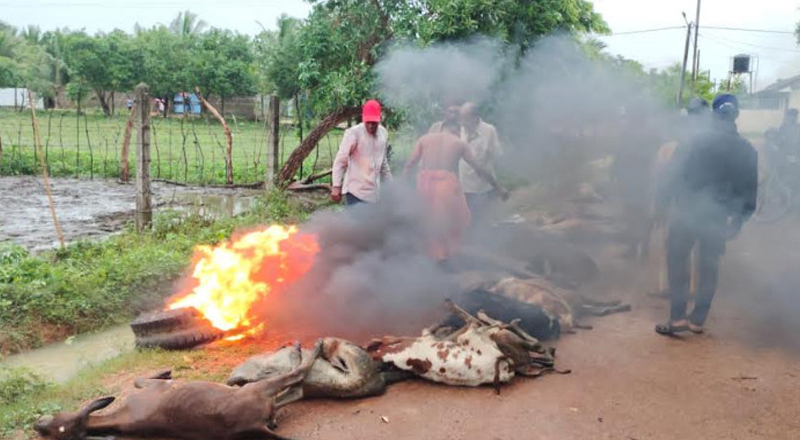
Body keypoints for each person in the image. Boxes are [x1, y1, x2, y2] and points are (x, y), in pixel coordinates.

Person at [655, 94, 758, 335]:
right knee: (709, 266)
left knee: (678, 261)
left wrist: (662, 205)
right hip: (718, 217)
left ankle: (677, 317)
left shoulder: (693, 142)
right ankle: (698, 320)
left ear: (713, 114)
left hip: (687, 212)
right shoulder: (747, 150)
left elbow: (671, 176)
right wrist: (738, 221)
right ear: (736, 116)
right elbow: (749, 193)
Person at [403, 119, 508, 261]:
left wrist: (403, 188)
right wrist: (498, 187)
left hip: (424, 183)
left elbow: (409, 165)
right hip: (446, 185)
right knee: (452, 221)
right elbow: (479, 168)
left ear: (442, 129)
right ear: (457, 130)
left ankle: (429, 258)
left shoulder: (424, 139)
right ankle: (443, 257)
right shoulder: (459, 143)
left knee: (427, 220)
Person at [331, 100, 393, 205]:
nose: (370, 126)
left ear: (379, 119)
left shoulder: (383, 134)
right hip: (355, 193)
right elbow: (340, 161)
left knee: (371, 221)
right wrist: (336, 186)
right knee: (356, 221)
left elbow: (383, 164)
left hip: (374, 194)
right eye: (368, 122)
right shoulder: (354, 133)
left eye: (374, 123)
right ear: (363, 119)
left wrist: (392, 186)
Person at [458, 102, 502, 220]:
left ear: (475, 117)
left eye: (465, 119)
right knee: (468, 220)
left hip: (483, 185)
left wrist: (497, 186)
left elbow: (496, 154)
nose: (462, 123)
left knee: (484, 219)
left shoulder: (489, 130)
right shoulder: (462, 130)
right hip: (465, 185)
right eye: (461, 119)